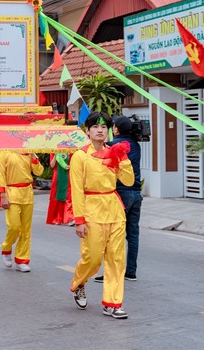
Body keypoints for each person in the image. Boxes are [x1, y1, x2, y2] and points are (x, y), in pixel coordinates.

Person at [69, 112, 134, 320]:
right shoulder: (80, 156)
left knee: (116, 259)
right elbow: (77, 189)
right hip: (91, 210)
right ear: (87, 131)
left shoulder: (114, 152)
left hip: (114, 208)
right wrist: (79, 220)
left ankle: (113, 303)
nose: (100, 130)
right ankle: (79, 283)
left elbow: (130, 181)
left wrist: (122, 158)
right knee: (93, 258)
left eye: (104, 127)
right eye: (95, 127)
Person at [94, 116, 142, 283]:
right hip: (136, 193)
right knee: (133, 234)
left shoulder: (112, 146)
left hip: (121, 193)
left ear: (115, 129)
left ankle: (112, 272)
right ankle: (131, 271)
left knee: (114, 236)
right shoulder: (136, 145)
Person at [0, 150, 44, 272]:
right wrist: (2, 196)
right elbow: (0, 175)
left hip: (27, 193)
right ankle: (6, 248)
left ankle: (22, 259)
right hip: (11, 193)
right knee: (14, 226)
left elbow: (39, 171)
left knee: (26, 229)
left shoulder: (29, 152)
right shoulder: (5, 153)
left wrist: (33, 156)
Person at [46, 153, 73, 225]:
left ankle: (69, 218)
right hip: (57, 177)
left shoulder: (70, 151)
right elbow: (52, 165)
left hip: (68, 176)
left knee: (68, 197)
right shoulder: (53, 152)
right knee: (56, 197)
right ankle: (57, 218)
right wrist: (56, 155)